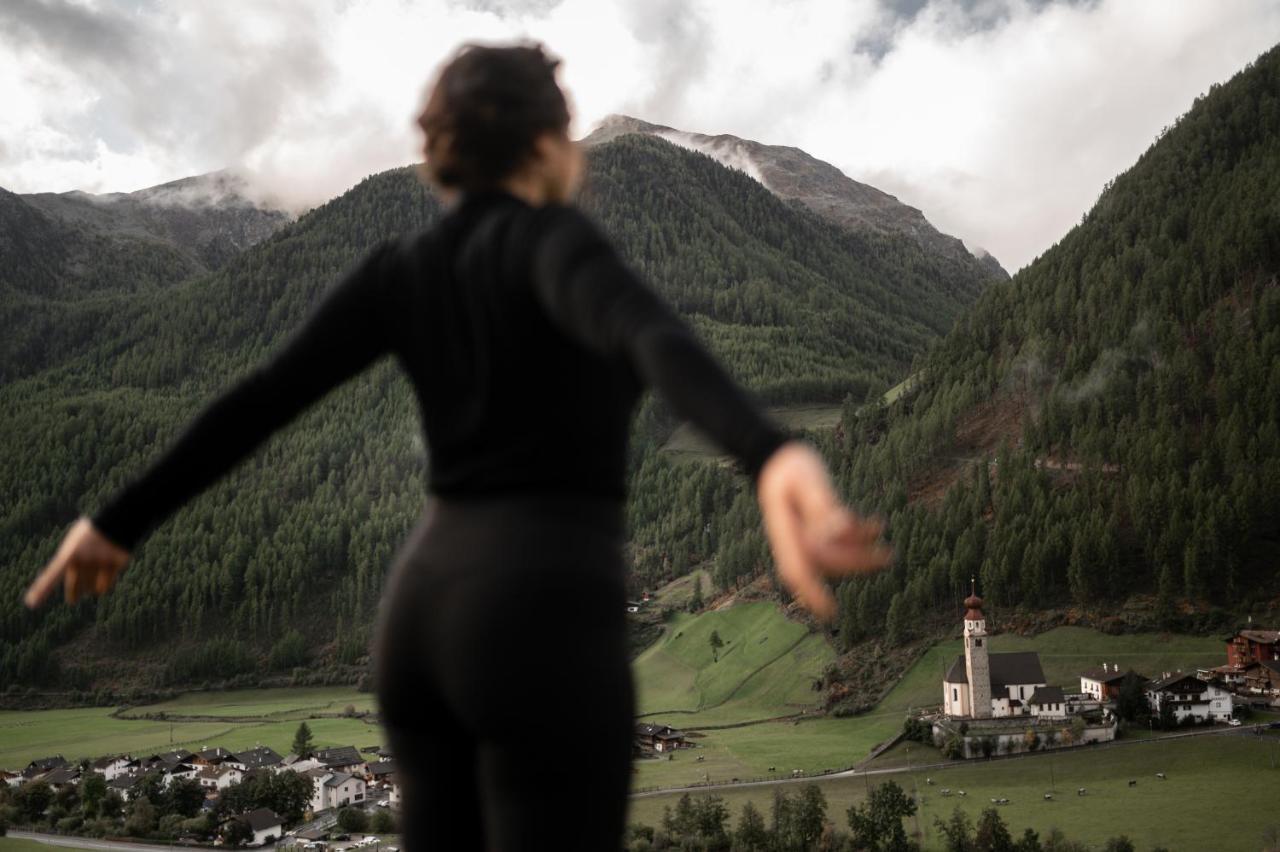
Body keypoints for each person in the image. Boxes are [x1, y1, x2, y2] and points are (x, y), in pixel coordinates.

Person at [23, 41, 892, 851]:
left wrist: (119, 521)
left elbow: (256, 403)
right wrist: (771, 452)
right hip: (543, 615)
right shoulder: (559, 244)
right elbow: (652, 339)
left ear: (439, 149)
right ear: (551, 144)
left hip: (423, 619)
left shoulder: (398, 270)